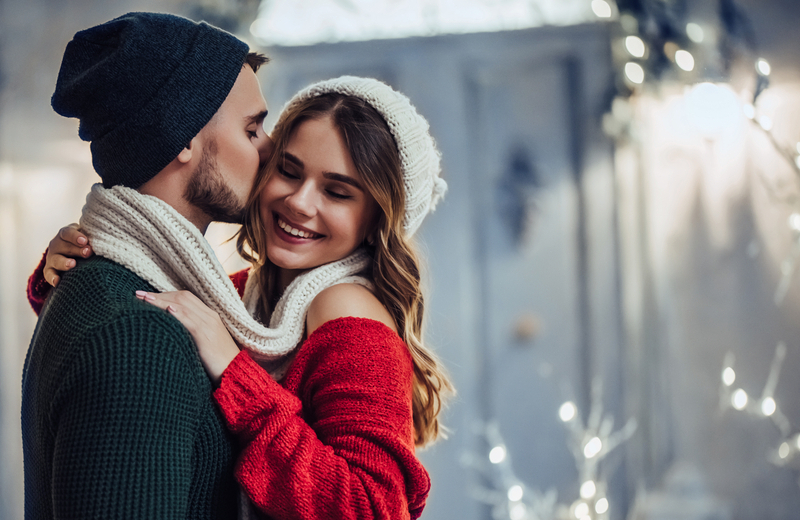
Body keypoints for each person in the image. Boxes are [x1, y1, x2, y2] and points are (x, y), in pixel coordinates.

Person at [28, 77, 453, 519]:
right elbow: (121, 340)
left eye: (337, 192)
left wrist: (236, 373)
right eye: (288, 171)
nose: (300, 202)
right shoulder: (240, 297)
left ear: (375, 221)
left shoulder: (345, 308)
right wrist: (69, 268)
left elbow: (373, 509)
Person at [21, 11, 273, 519]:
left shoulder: (112, 290)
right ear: (181, 135)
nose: (270, 150)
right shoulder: (139, 332)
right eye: (251, 130)